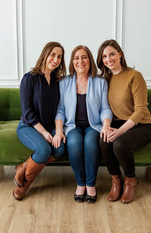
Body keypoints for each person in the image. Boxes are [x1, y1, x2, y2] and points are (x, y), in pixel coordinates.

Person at [97, 39, 151, 203]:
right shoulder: (106, 79)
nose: (109, 59)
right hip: (118, 123)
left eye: (112, 54)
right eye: (105, 56)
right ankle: (116, 180)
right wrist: (107, 127)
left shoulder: (134, 76)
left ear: (120, 54)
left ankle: (130, 180)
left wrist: (120, 131)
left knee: (119, 143)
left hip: (142, 125)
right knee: (103, 141)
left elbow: (140, 110)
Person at [53, 45, 112, 203]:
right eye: (77, 58)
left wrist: (106, 125)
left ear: (90, 60)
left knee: (91, 143)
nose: (81, 61)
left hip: (94, 125)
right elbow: (60, 109)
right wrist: (59, 131)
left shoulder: (100, 82)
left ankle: (91, 184)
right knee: (74, 143)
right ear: (72, 62)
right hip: (72, 126)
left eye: (84, 57)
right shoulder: (64, 82)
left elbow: (105, 108)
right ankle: (80, 183)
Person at [13, 41, 66, 200]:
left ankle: (24, 166)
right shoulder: (30, 78)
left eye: (59, 57)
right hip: (29, 126)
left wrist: (57, 132)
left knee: (60, 148)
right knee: (44, 150)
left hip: (50, 126)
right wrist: (43, 132)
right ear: (45, 54)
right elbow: (27, 112)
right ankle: (24, 186)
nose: (56, 59)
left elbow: (59, 110)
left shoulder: (57, 81)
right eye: (53, 55)